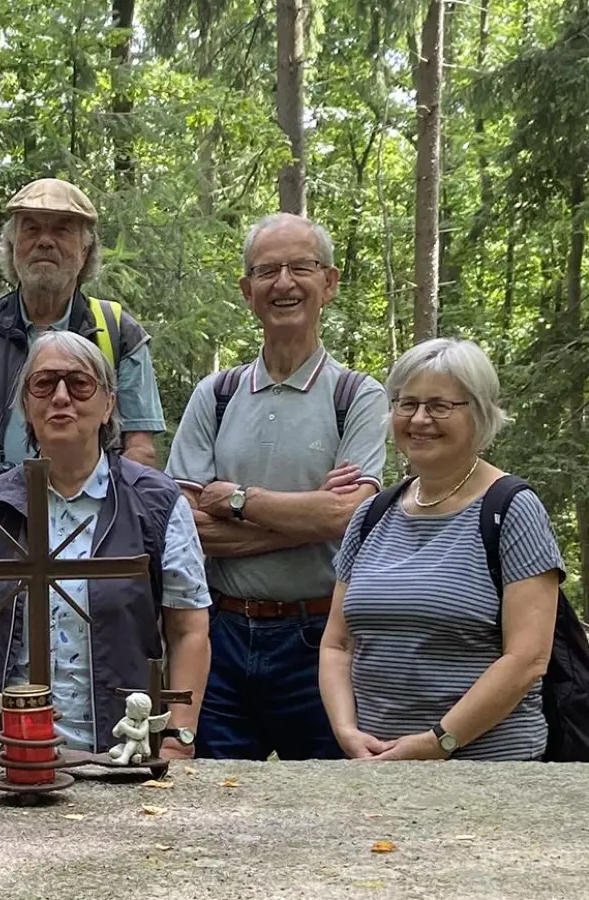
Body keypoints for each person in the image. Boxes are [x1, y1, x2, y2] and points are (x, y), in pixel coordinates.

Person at [0, 178, 168, 685]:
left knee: (85, 682)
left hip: (89, 538)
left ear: (85, 248)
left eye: (62, 231)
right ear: (11, 244)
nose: (45, 242)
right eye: (31, 229)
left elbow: (139, 445)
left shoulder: (115, 330)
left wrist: (142, 539)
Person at [165, 212, 389, 760]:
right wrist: (308, 520)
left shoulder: (358, 396)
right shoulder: (215, 395)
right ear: (247, 291)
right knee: (210, 806)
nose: (283, 283)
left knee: (326, 817)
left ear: (329, 283)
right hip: (217, 636)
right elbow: (183, 528)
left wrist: (236, 499)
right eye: (267, 271)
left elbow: (347, 519)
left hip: (319, 640)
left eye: (301, 268)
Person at [0, 331, 210, 756]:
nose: (61, 397)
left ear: (108, 405)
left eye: (80, 384)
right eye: (43, 384)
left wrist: (178, 738)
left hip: (122, 750)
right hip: (6, 750)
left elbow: (189, 629)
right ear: (26, 408)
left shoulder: (157, 503)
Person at [320, 339, 560, 761]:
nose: (419, 419)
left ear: (480, 413)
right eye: (406, 404)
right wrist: (345, 730)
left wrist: (438, 742)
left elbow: (527, 659)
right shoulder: (373, 513)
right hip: (374, 765)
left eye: (440, 406)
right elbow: (337, 645)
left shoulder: (511, 509)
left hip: (487, 768)